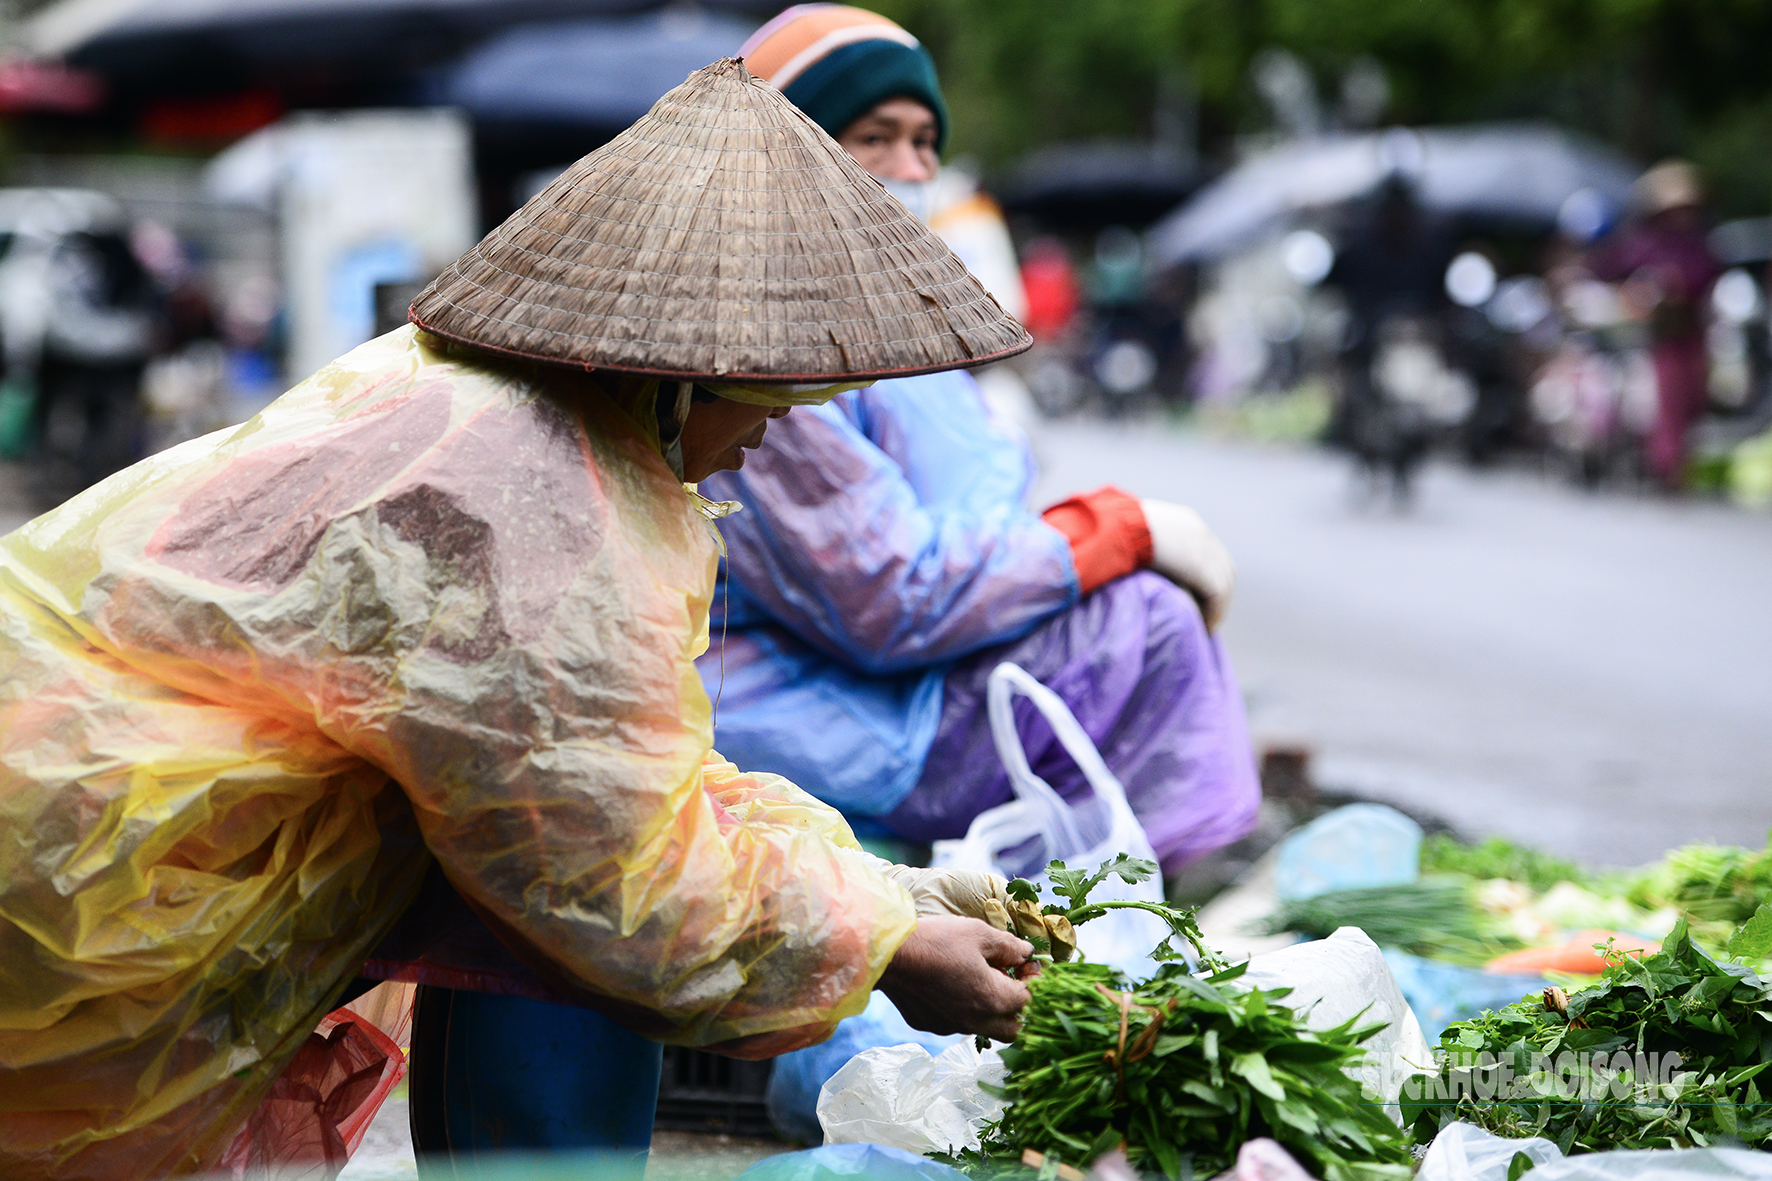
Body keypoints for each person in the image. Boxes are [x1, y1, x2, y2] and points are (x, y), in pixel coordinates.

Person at [0, 60, 1036, 1180]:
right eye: (768, 403)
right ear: (686, 374)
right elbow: (624, 892)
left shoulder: (458, 396)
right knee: (560, 920)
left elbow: (611, 773)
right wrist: (886, 946)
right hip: (97, 889)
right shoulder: (548, 507)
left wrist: (880, 891)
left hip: (68, 803)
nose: (765, 441)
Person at [705, 6, 1260, 873]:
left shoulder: (879, 309)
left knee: (1131, 607)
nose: (909, 168)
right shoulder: (755, 336)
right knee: (1145, 621)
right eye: (873, 137)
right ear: (792, 145)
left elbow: (972, 511)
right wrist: (1116, 531)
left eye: (925, 141)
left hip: (900, 668)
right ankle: (1112, 905)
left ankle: (1114, 904)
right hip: (818, 710)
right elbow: (888, 598)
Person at [1589, 159, 1721, 490]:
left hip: (1692, 334)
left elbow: (1710, 278)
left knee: (1694, 400)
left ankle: (1679, 464)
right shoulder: (1640, 244)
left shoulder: (1698, 245)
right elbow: (1606, 275)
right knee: (1667, 402)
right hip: (1655, 338)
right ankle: (1666, 469)